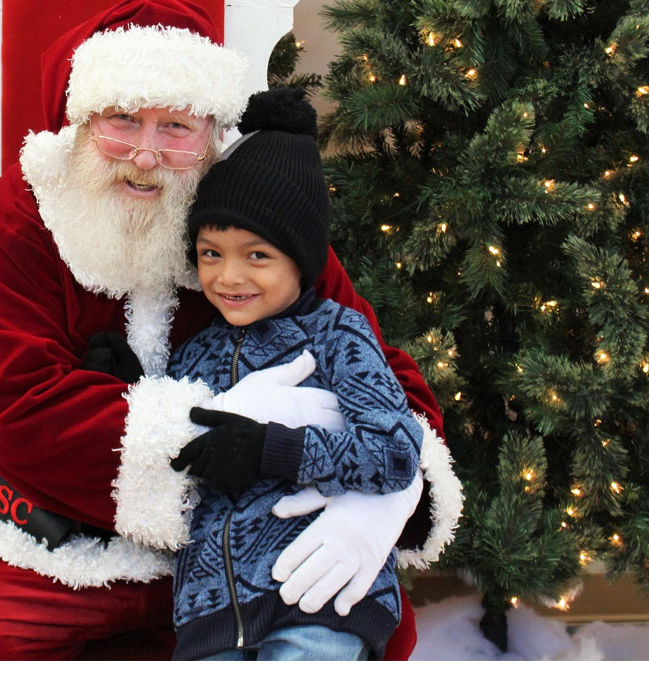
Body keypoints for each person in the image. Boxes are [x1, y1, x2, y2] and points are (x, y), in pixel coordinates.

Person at [0, 0, 461, 660]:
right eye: (122, 120)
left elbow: (377, 365)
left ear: (210, 133)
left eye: (175, 126)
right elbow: (18, 407)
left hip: (242, 533)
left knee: (366, 620)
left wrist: (391, 499)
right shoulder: (21, 215)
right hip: (53, 539)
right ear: (81, 118)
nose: (145, 154)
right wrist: (217, 428)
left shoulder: (246, 216)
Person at [167, 88, 421, 661]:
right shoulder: (192, 353)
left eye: (257, 256)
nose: (229, 276)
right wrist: (128, 379)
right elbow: (171, 450)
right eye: (211, 253)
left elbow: (396, 451)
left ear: (300, 259)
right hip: (211, 621)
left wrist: (274, 450)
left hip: (320, 602)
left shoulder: (338, 334)